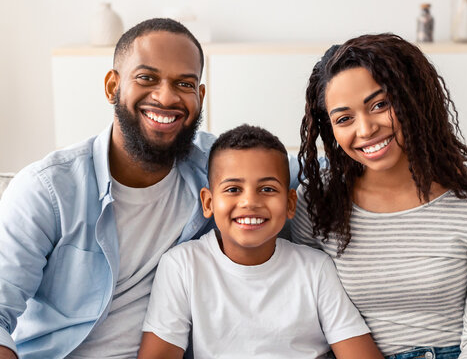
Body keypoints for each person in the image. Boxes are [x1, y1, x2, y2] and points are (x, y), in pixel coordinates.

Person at [0, 18, 217, 359]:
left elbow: (298, 171)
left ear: (200, 96)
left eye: (185, 84)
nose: (166, 96)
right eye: (147, 78)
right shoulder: (49, 189)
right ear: (112, 86)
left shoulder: (219, 172)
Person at [292, 34, 467, 359]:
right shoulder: (317, 201)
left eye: (380, 105)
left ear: (414, 97)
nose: (366, 129)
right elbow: (305, 322)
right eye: (344, 118)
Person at [137, 124, 384, 359]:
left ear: (290, 204)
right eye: (233, 189)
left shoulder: (316, 269)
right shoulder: (182, 266)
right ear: (208, 203)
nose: (250, 202)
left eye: (267, 189)